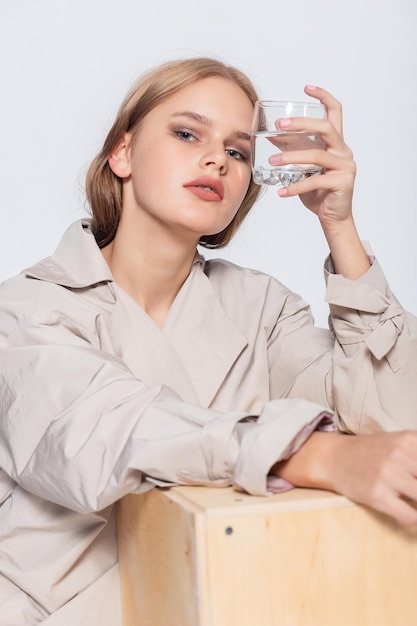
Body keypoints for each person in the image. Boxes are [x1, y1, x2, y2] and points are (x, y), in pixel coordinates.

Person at [0, 56, 417, 625]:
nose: (217, 158)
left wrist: (339, 226)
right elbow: (100, 434)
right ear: (121, 153)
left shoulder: (261, 308)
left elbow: (389, 425)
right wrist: (309, 451)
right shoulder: (27, 308)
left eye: (240, 151)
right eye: (186, 133)